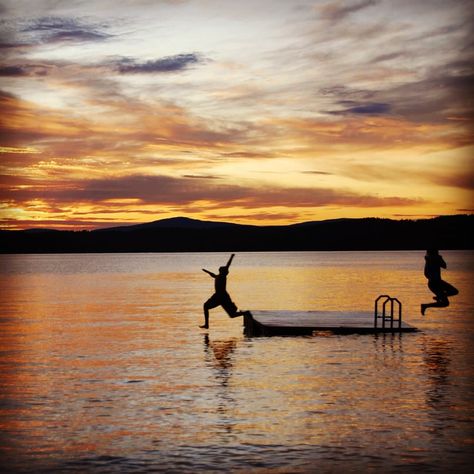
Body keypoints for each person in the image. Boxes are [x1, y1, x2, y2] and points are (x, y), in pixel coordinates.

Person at [200, 254, 246, 329]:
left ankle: (246, 313)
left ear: (223, 272)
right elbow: (212, 275)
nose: (220, 269)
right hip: (217, 296)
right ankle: (206, 324)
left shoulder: (223, 276)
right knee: (206, 306)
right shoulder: (218, 276)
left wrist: (231, 257)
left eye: (222, 269)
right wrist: (206, 271)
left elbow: (228, 265)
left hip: (223, 297)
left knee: (232, 315)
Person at [421, 249, 458, 315]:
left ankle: (435, 299)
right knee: (445, 303)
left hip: (437, 282)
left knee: (454, 292)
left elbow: (444, 266)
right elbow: (444, 266)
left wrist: (439, 259)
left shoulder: (430, 259)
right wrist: (439, 259)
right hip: (434, 283)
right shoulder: (430, 259)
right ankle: (425, 305)